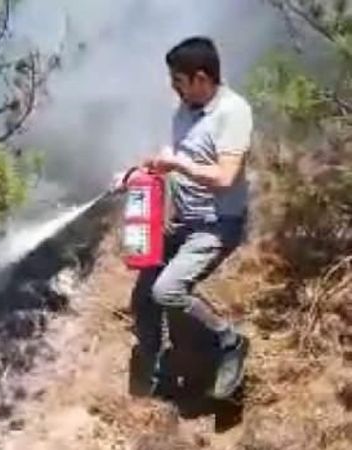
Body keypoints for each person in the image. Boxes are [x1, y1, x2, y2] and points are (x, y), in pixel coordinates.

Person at [116, 36, 253, 400]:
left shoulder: (233, 113)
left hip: (216, 224)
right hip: (184, 223)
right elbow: (171, 156)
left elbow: (224, 177)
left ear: (201, 78)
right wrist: (137, 174)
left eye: (179, 80)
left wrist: (178, 164)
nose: (174, 88)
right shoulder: (186, 110)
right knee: (144, 298)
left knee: (168, 290)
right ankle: (158, 368)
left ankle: (229, 342)